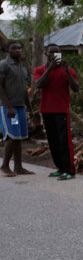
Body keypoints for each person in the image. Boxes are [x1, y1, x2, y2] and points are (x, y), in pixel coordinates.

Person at [33, 44, 79, 181]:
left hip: (61, 110)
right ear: (45, 54)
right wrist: (49, 69)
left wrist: (67, 72)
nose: (54, 55)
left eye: (57, 52)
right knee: (53, 141)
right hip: (46, 110)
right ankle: (60, 168)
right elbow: (38, 84)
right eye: (51, 52)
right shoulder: (40, 70)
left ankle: (70, 170)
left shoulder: (68, 69)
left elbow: (76, 88)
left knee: (64, 140)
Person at [0, 40, 34, 177]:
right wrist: (8, 106)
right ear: (8, 50)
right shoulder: (4, 65)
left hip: (20, 107)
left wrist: (30, 109)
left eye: (19, 48)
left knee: (19, 137)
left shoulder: (21, 67)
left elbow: (24, 90)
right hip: (9, 107)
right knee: (12, 136)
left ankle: (18, 167)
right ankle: (4, 166)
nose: (18, 50)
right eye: (14, 48)